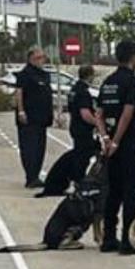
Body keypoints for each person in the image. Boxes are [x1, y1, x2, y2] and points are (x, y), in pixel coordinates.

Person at [97, 41, 135, 254]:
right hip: (128, 146)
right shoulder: (133, 82)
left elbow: (98, 113)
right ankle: (127, 240)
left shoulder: (108, 82)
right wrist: (116, 141)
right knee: (131, 193)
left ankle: (109, 237)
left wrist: (105, 138)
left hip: (109, 147)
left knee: (113, 192)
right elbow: (128, 113)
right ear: (133, 57)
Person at [37, 65, 100, 197]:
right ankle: (79, 182)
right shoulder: (83, 92)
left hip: (75, 127)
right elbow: (85, 114)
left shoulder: (74, 90)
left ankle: (76, 181)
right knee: (82, 158)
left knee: (79, 154)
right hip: (83, 129)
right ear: (90, 76)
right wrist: (98, 123)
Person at [14, 48, 54, 189]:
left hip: (42, 118)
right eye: (39, 58)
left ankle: (36, 176)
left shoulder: (44, 74)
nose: (42, 60)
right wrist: (21, 111)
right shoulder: (25, 74)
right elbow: (19, 92)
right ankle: (30, 177)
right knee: (29, 148)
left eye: (43, 57)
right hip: (29, 118)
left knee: (40, 149)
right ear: (31, 59)